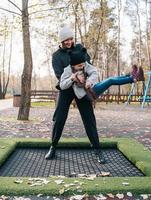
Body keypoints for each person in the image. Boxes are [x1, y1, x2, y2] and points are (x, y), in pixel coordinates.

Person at [45, 24, 106, 164]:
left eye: (71, 39)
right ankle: (53, 147)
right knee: (59, 118)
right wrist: (73, 78)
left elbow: (88, 66)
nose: (69, 42)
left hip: (82, 88)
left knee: (89, 119)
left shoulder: (80, 49)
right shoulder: (56, 56)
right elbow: (60, 76)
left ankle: (97, 149)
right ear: (61, 41)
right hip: (66, 89)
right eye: (66, 39)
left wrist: (86, 80)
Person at [60, 50, 145, 101]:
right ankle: (134, 78)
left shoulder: (84, 65)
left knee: (111, 78)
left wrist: (89, 81)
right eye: (79, 66)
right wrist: (71, 79)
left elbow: (94, 72)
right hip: (87, 94)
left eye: (83, 65)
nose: (82, 67)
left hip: (92, 87)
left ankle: (131, 76)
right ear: (73, 65)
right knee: (110, 81)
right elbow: (62, 85)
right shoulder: (68, 71)